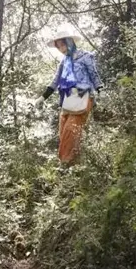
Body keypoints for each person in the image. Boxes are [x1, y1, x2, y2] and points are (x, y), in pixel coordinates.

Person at [34, 29, 102, 167]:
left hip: (83, 96)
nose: (60, 49)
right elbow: (55, 81)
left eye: (62, 45)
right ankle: (73, 166)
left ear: (69, 42)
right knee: (64, 132)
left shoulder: (86, 56)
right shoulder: (64, 62)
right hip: (67, 99)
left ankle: (65, 166)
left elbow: (95, 76)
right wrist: (42, 97)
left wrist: (101, 92)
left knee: (71, 131)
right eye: (58, 46)